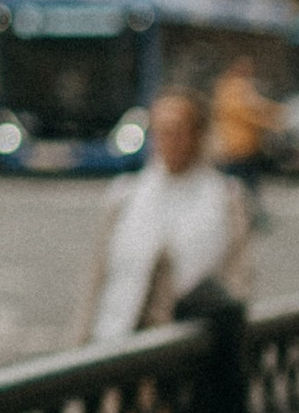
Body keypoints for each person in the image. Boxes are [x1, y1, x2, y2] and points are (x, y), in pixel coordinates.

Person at [81, 85, 251, 340]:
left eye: (178, 131)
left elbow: (238, 280)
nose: (169, 140)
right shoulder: (126, 194)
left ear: (197, 134)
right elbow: (97, 280)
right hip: (117, 342)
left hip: (186, 351)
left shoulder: (225, 197)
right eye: (161, 131)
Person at [209, 57, 279, 228]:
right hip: (236, 147)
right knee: (237, 185)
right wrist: (271, 121)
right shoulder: (234, 88)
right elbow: (247, 112)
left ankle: (252, 216)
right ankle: (248, 217)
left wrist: (273, 112)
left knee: (246, 185)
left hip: (243, 147)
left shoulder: (233, 87)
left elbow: (258, 106)